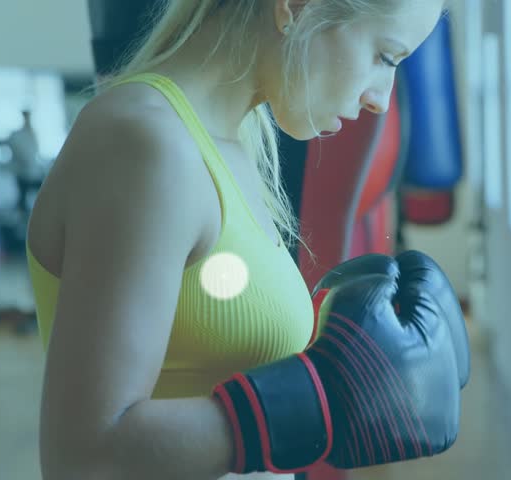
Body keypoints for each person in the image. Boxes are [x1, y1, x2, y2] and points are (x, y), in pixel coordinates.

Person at [26, 1, 467, 480]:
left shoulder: (234, 142)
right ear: (296, 7)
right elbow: (85, 458)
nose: (381, 99)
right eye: (385, 56)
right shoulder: (145, 143)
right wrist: (317, 400)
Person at [0, 109, 43, 212]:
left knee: (38, 198)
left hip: (33, 172)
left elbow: (34, 153)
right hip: (22, 173)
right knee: (22, 200)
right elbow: (4, 143)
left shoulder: (33, 134)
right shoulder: (17, 135)